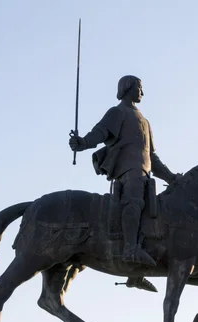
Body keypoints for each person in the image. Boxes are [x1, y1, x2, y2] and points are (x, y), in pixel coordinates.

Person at [69, 75, 179, 291]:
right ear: (127, 88)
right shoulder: (117, 113)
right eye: (139, 87)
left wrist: (171, 178)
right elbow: (99, 133)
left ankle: (136, 273)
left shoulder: (145, 121)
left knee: (154, 215)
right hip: (129, 172)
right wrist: (83, 143)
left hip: (146, 174)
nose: (142, 92)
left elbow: (152, 157)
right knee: (134, 203)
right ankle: (130, 249)